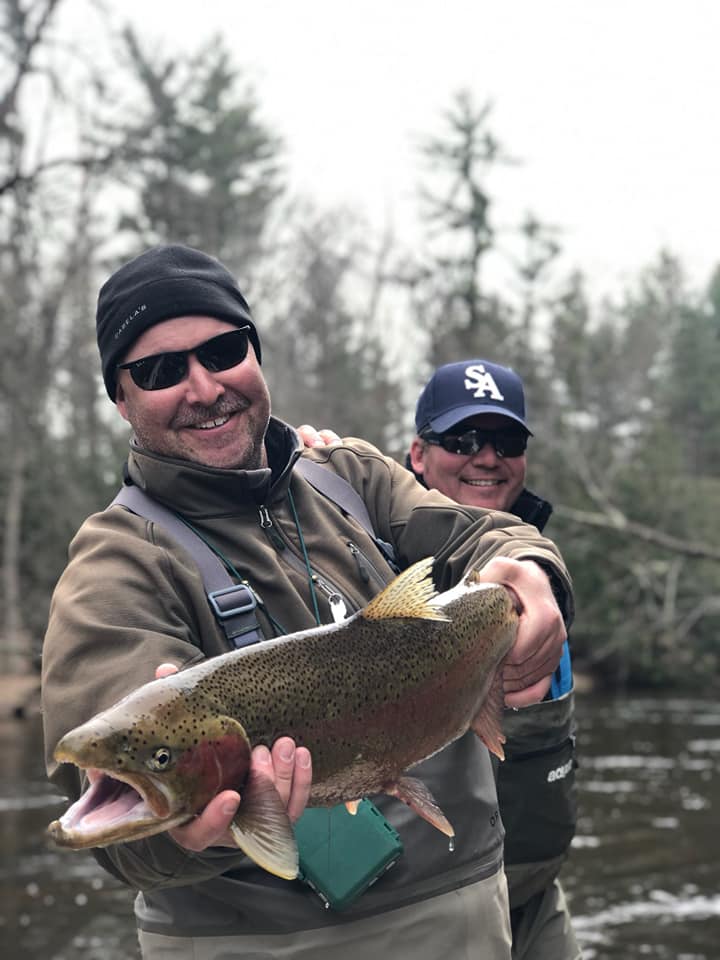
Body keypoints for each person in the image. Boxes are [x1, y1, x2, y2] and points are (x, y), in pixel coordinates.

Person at [42, 244, 573, 960]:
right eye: (161, 371)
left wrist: (530, 574)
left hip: (471, 918)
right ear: (120, 397)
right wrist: (178, 832)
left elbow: (488, 533)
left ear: (254, 356)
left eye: (223, 351)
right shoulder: (115, 563)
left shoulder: (347, 475)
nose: (203, 388)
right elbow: (110, 805)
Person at [409, 359, 580, 960]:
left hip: (538, 899)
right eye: (462, 439)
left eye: (506, 440)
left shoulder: (542, 561)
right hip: (442, 912)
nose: (487, 457)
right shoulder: (370, 567)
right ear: (415, 456)